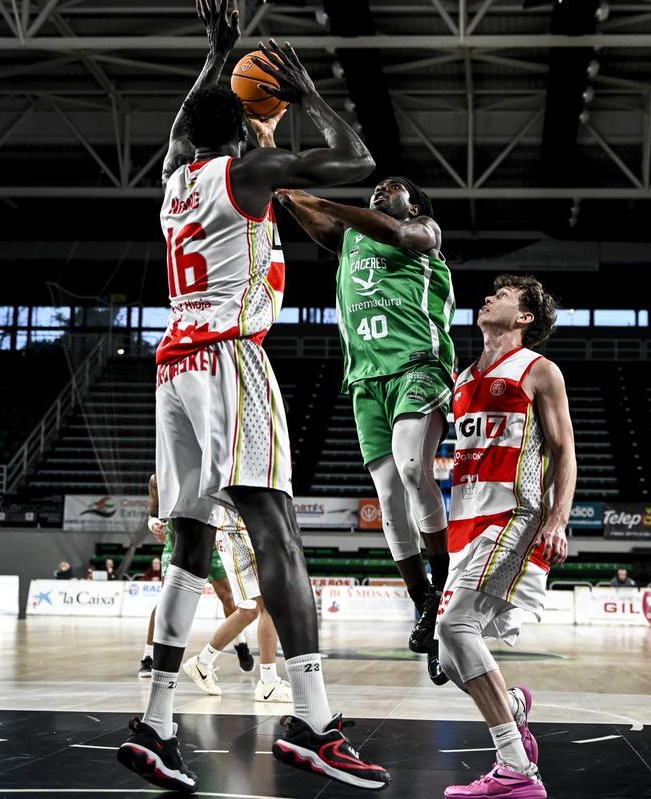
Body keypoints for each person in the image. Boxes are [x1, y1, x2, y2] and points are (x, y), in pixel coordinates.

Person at [116, 0, 386, 792]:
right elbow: (359, 160)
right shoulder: (247, 170)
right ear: (238, 131)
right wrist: (305, 97)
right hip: (231, 356)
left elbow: (179, 129)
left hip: (174, 368)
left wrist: (216, 54)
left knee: (191, 546)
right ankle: (313, 721)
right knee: (278, 533)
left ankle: (157, 723)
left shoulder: (173, 180)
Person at [276, 175, 454, 685]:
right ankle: (425, 605)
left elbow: (394, 234)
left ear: (414, 202)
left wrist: (322, 200)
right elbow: (325, 228)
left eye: (394, 187)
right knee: (387, 493)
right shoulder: (350, 237)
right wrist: (288, 198)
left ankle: (438, 594)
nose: (381, 191)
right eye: (376, 188)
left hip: (418, 363)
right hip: (365, 377)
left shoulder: (424, 230)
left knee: (413, 464)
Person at [435, 275, 575, 799]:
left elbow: (565, 452)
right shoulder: (464, 375)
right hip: (465, 523)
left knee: (455, 628)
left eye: (504, 295)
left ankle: (516, 768)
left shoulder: (539, 370)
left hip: (514, 515)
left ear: (525, 318)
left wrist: (558, 519)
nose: (489, 297)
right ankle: (512, 706)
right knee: (449, 656)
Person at [141, 474, 255, 681]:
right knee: (165, 604)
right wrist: (155, 525)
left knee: (229, 598)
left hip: (212, 545)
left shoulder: (216, 473)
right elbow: (153, 514)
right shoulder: (158, 479)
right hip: (177, 545)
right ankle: (148, 657)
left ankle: (240, 643)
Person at [180, 506, 293, 703]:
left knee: (249, 611)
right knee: (270, 605)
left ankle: (201, 662)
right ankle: (268, 684)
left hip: (241, 530)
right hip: (239, 531)